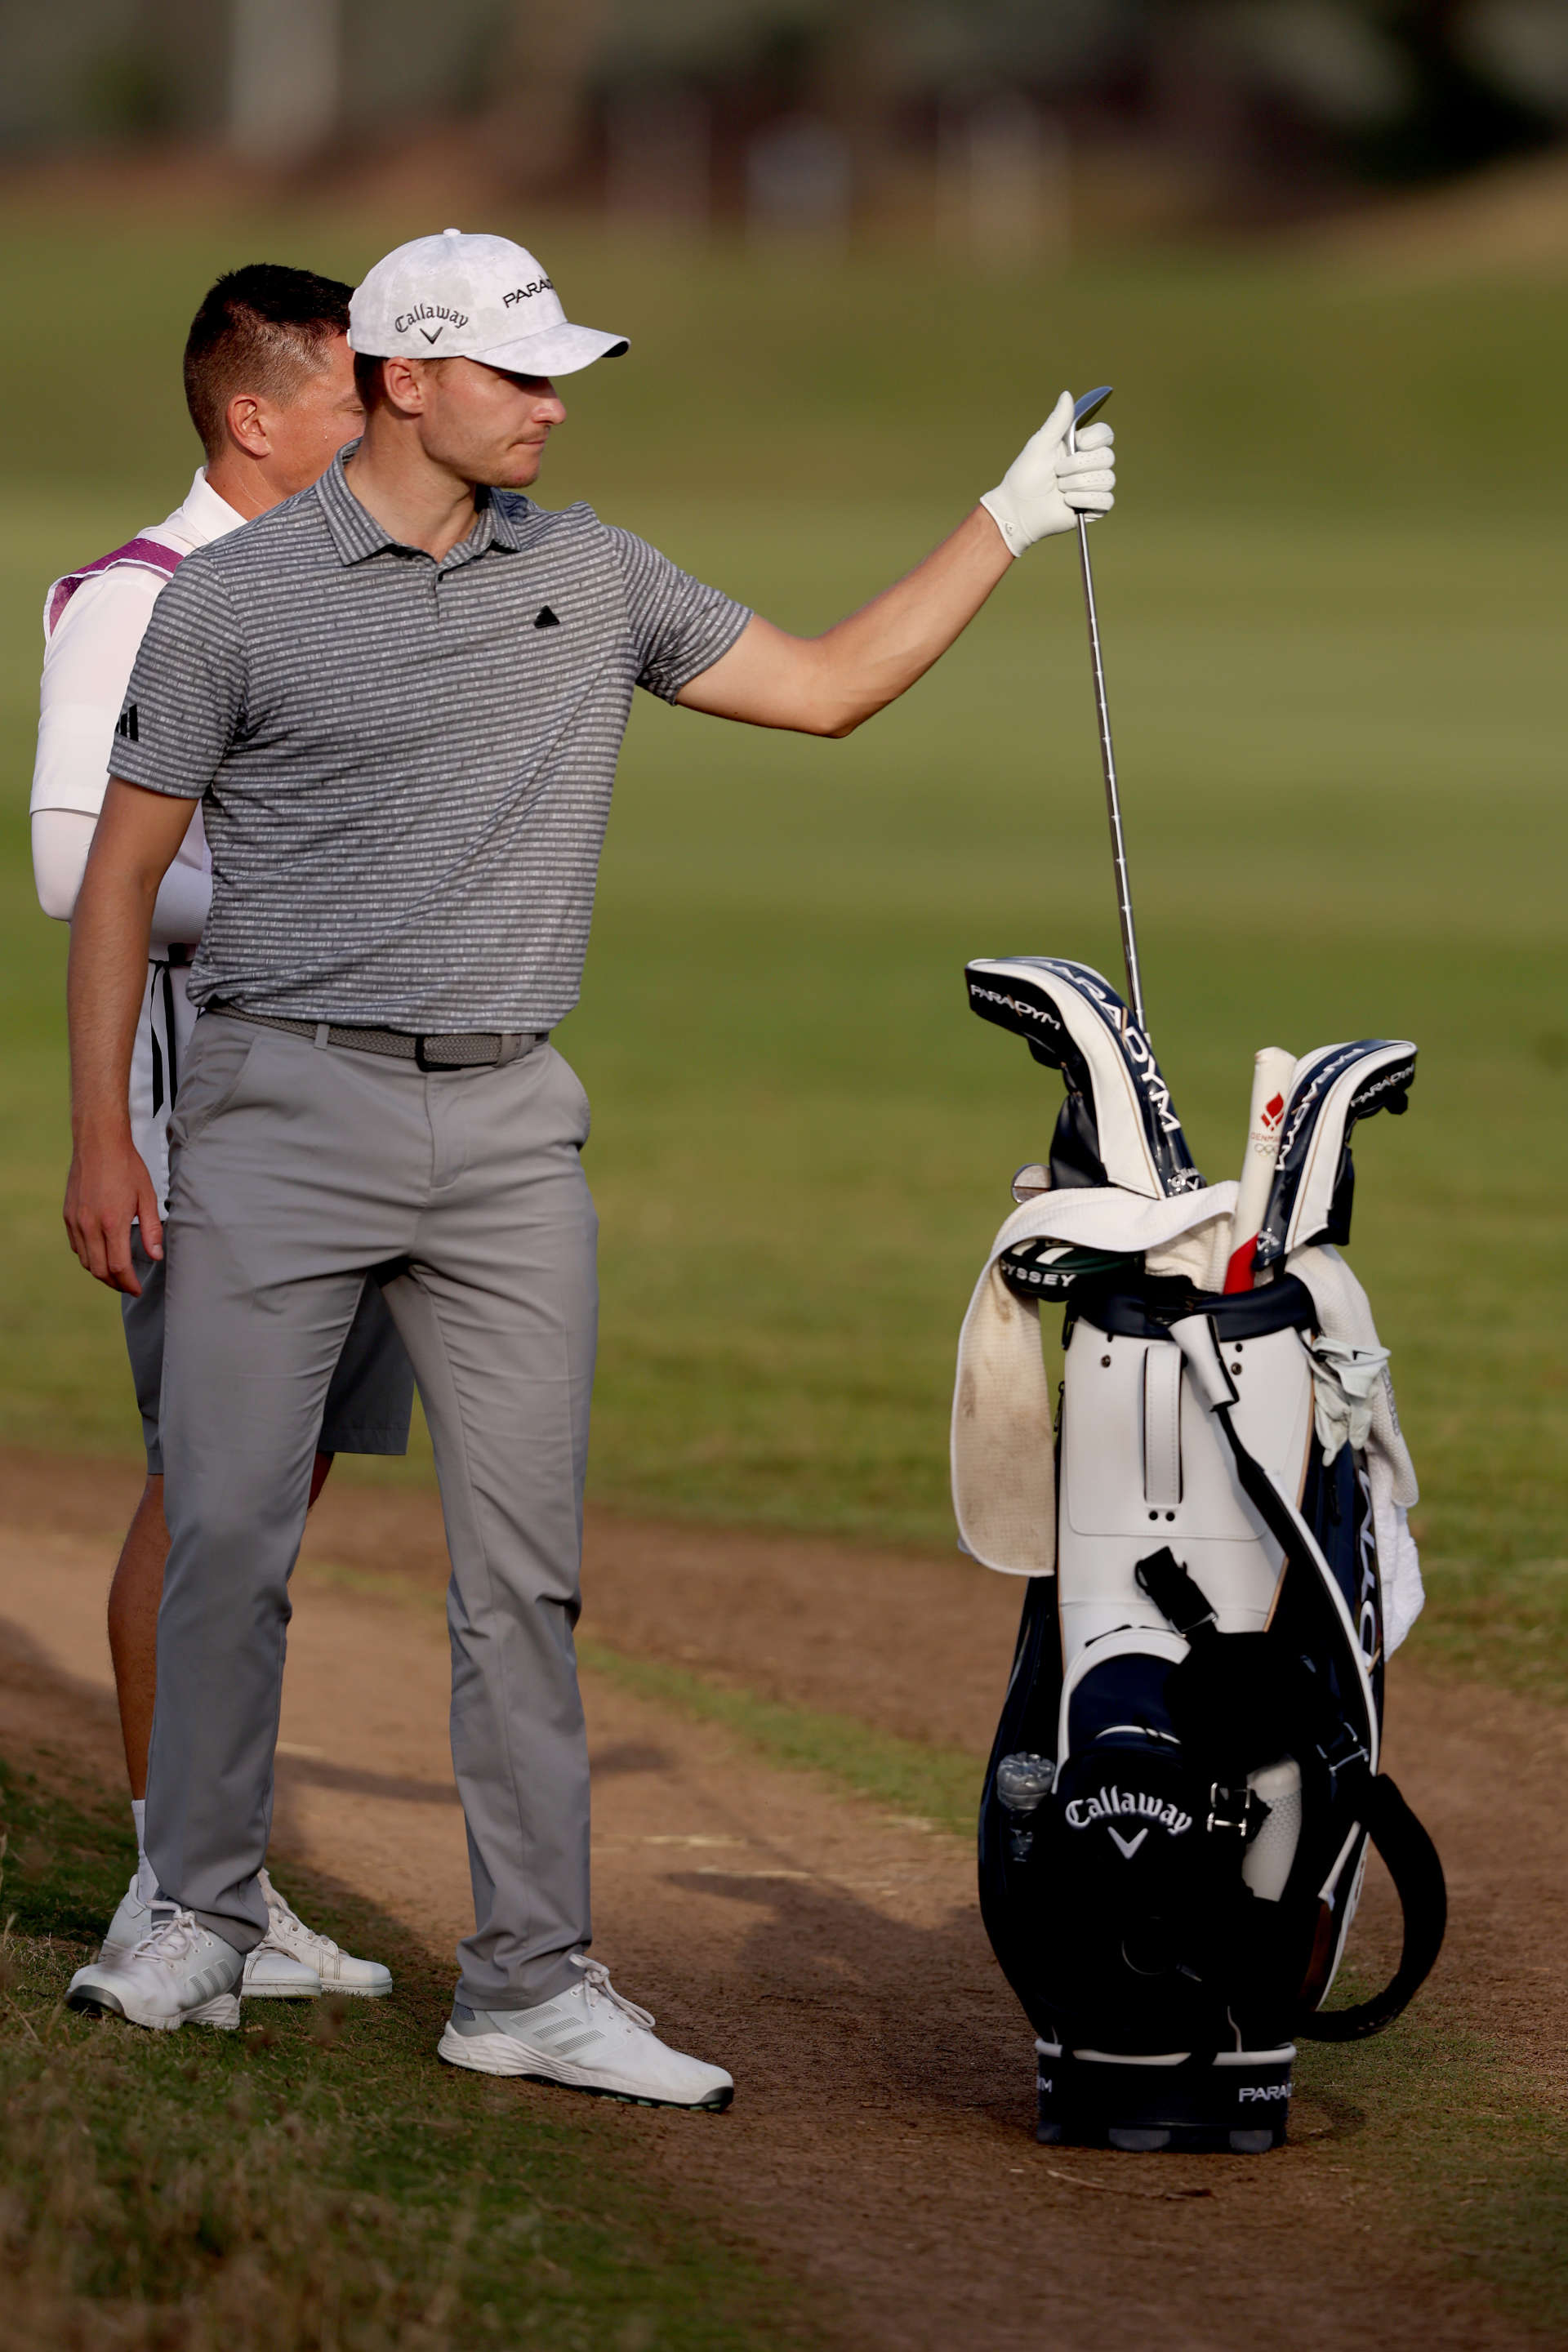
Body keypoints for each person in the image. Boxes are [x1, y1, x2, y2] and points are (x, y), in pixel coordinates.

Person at [59, 229, 1116, 2089]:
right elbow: (121, 881)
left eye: (562, 376)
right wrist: (96, 1135)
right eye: (520, 374)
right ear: (403, 377)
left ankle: (531, 1981)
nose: (556, 404)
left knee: (523, 1573)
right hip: (277, 1108)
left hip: (510, 1130)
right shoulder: (228, 604)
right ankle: (198, 1913)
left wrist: (1008, 516)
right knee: (228, 1532)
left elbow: (830, 686)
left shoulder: (598, 573)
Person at [33, 264, 412, 2006]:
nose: (382, 427)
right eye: (354, 400)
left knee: (267, 1504)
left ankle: (221, 1892)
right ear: (257, 417)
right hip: (217, 1123)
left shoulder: (335, 590)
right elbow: (71, 868)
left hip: (357, 1118)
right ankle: (173, 1899)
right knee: (206, 1504)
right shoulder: (141, 599)